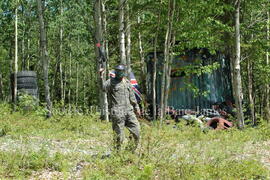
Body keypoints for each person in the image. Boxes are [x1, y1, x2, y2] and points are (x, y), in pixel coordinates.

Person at [100, 64, 141, 151]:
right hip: (118, 112)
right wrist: (101, 76)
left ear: (124, 72)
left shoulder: (127, 82)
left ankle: (129, 150)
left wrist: (136, 107)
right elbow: (103, 88)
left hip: (129, 112)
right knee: (119, 137)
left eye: (121, 71)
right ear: (115, 72)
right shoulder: (110, 82)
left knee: (136, 131)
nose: (119, 73)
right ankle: (117, 154)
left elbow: (132, 97)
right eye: (117, 71)